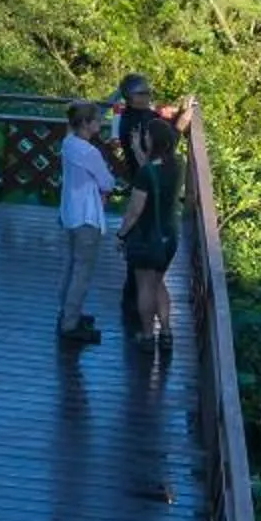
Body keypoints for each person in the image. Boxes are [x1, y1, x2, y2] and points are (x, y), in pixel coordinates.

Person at [113, 73, 189, 349]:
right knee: (158, 282)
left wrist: (121, 235)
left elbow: (134, 210)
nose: (146, 97)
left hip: (146, 229)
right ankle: (166, 332)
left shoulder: (146, 170)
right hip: (169, 230)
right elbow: (166, 142)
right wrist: (180, 121)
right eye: (141, 93)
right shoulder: (179, 165)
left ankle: (147, 334)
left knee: (144, 283)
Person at [54, 100, 111, 347]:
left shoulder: (68, 143)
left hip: (69, 212)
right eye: (97, 120)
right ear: (86, 124)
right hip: (87, 216)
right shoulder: (89, 152)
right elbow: (107, 181)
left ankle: (67, 312)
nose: (100, 123)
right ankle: (70, 323)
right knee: (82, 271)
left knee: (70, 266)